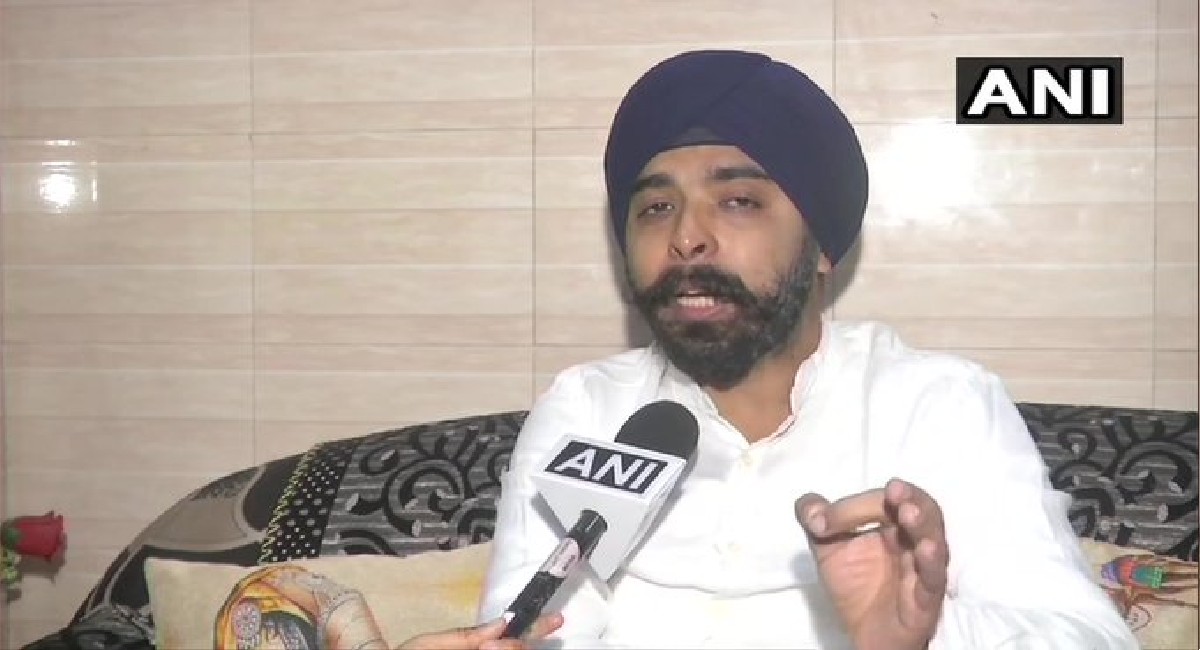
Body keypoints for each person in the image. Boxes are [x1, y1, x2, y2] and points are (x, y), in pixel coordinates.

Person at [474, 49, 1140, 649]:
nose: (686, 237)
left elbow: (1089, 637)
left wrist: (925, 636)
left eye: (737, 201)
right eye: (655, 208)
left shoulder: (936, 405)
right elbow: (537, 628)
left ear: (821, 246)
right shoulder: (586, 407)